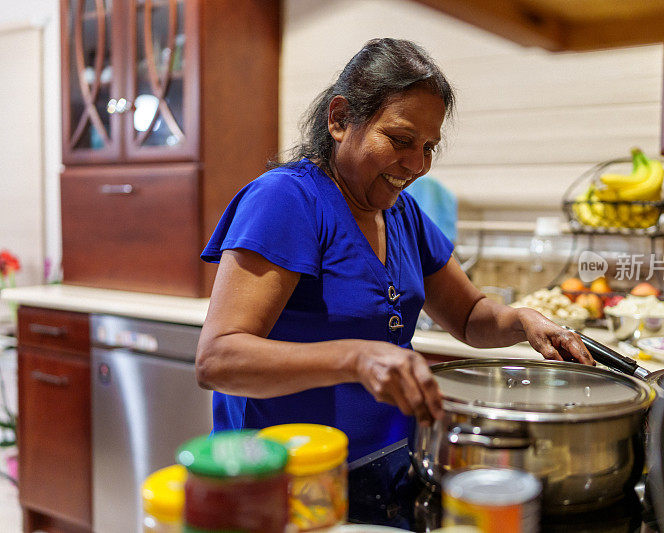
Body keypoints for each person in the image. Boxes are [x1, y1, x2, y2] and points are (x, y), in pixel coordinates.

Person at [196, 38, 594, 460]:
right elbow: (219, 359)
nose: (418, 165)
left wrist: (523, 321)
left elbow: (470, 315)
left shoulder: (401, 213)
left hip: (386, 470)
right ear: (341, 119)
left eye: (428, 147)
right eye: (401, 139)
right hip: (288, 481)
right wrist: (356, 358)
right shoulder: (286, 201)